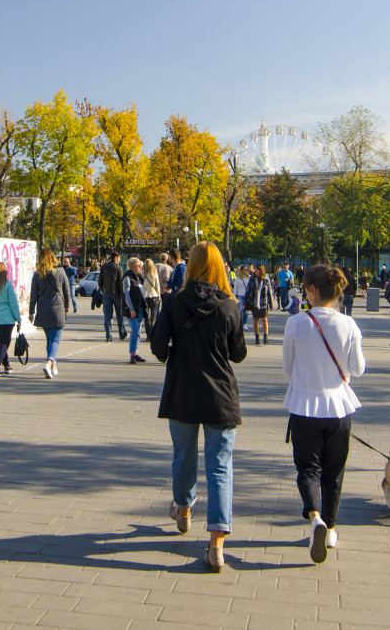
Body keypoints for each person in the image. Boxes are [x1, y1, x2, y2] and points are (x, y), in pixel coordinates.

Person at [149, 242, 246, 574]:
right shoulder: (229, 306)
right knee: (220, 467)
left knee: (183, 457)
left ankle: (184, 509)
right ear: (219, 267)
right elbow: (238, 354)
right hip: (220, 395)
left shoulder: (174, 302)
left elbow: (158, 348)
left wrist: (175, 346)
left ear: (189, 265)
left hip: (182, 391)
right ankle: (217, 545)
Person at [282, 265, 365, 564]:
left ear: (313, 290)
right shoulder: (348, 324)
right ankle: (329, 529)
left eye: (305, 288)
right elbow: (358, 369)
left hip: (304, 406)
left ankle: (314, 517)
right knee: (334, 472)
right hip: (339, 407)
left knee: (308, 469)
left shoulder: (296, 323)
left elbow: (288, 368)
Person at [29, 248, 71, 379]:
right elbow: (67, 290)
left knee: (49, 339)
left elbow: (33, 294)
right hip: (57, 307)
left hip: (43, 308)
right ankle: (48, 363)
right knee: (55, 340)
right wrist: (67, 306)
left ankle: (53, 365)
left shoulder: (38, 274)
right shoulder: (60, 271)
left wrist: (31, 311)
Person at [121, 257, 148, 364]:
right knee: (134, 330)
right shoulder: (127, 278)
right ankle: (132, 354)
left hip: (140, 307)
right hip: (132, 308)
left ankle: (135, 352)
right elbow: (126, 295)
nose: (140, 267)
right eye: (138, 265)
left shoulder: (139, 277)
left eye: (140, 265)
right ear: (132, 267)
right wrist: (131, 309)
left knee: (138, 331)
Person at [99, 250, 126, 342]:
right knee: (119, 315)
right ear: (115, 258)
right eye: (119, 258)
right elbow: (120, 282)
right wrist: (122, 295)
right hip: (116, 294)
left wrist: (103, 290)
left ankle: (108, 335)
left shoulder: (104, 267)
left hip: (106, 293)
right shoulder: (118, 268)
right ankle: (122, 333)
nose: (119, 260)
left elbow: (100, 281)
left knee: (107, 316)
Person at [245, 265, 273, 345]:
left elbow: (269, 292)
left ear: (261, 271)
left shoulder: (266, 280)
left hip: (263, 302)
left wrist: (271, 304)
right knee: (255, 320)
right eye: (255, 270)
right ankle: (257, 338)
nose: (255, 271)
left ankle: (265, 338)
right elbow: (248, 290)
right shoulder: (252, 279)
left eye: (257, 270)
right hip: (254, 302)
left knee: (264, 320)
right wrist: (245, 302)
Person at [141, 258, 162, 342]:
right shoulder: (154, 274)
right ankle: (153, 334)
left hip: (145, 296)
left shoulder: (142, 275)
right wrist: (159, 296)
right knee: (153, 318)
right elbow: (157, 286)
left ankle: (148, 335)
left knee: (147, 318)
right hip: (154, 296)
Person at [232, 266, 249, 331]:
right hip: (240, 296)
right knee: (240, 311)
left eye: (247, 270)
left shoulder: (249, 278)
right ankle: (240, 324)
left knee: (246, 312)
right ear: (242, 270)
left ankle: (245, 324)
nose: (246, 271)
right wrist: (234, 297)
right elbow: (235, 289)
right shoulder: (238, 279)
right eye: (245, 269)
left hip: (246, 296)